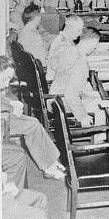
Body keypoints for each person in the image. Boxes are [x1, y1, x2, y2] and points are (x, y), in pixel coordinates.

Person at [1, 56, 66, 184]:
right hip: (2, 121)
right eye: (5, 78)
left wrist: (11, 103)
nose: (6, 83)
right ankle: (49, 166)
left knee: (33, 123)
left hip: (4, 116)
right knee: (32, 125)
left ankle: (51, 163)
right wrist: (11, 107)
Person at [49, 27, 105, 128]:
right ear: (88, 41)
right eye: (96, 43)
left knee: (96, 97)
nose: (96, 47)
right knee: (102, 106)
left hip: (55, 97)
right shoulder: (79, 63)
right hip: (61, 102)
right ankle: (100, 139)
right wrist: (82, 117)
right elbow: (71, 95)